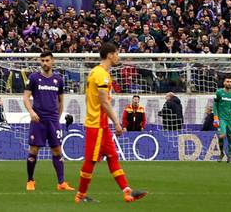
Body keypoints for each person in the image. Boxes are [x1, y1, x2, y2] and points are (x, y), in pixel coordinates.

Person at [73, 43, 147, 204]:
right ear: (109, 55)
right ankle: (80, 195)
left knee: (113, 156)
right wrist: (117, 123)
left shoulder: (96, 72)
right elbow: (104, 102)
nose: (118, 57)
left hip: (102, 125)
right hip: (96, 125)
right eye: (117, 54)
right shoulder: (102, 75)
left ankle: (127, 192)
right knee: (90, 160)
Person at [22, 51, 72, 192]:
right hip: (38, 120)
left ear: (52, 61)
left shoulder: (58, 80)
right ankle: (30, 180)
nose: (44, 63)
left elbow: (60, 101)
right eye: (42, 60)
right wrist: (31, 112)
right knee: (34, 149)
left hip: (53, 121)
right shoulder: (33, 78)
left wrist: (58, 117)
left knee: (57, 150)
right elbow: (26, 97)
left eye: (47, 60)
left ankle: (61, 182)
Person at [214, 77, 231, 162]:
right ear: (224, 83)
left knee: (230, 137)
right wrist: (216, 117)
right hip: (222, 118)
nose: (229, 83)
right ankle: (221, 152)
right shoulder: (219, 92)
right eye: (227, 81)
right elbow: (215, 105)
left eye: (230, 82)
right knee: (222, 135)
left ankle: (230, 156)